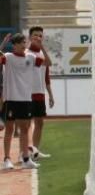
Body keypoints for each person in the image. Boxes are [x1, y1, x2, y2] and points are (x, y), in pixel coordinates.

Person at [1, 34, 49, 170]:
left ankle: (26, 159)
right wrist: (3, 44)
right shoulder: (8, 57)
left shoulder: (31, 57)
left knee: (24, 129)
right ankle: (7, 159)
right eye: (21, 42)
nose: (24, 44)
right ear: (14, 45)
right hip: (11, 99)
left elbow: (47, 63)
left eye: (25, 42)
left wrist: (42, 47)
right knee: (9, 129)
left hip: (26, 99)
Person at [27, 26, 54, 159]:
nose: (38, 38)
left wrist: (51, 95)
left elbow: (47, 74)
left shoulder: (42, 54)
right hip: (27, 93)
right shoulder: (27, 53)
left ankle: (35, 152)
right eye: (35, 35)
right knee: (26, 124)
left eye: (40, 36)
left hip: (40, 93)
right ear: (29, 37)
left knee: (40, 123)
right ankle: (24, 153)